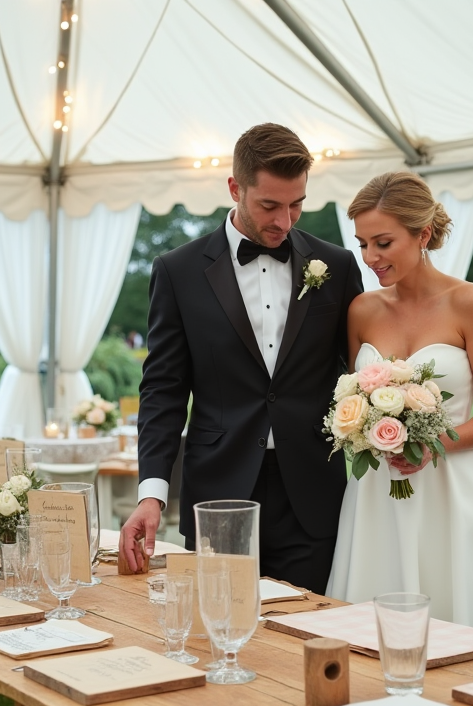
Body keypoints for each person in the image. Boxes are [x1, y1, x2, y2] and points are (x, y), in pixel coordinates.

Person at [120, 124, 364, 593]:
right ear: (235, 188)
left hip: (312, 495)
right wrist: (152, 493)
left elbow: (363, 367)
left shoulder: (336, 266)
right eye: (269, 205)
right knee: (219, 631)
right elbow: (163, 390)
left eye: (297, 204)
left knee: (308, 635)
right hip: (218, 495)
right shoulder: (177, 271)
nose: (285, 221)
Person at [326, 172, 473, 637]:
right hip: (376, 495)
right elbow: (351, 393)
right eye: (363, 243)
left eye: (383, 243)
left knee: (465, 621)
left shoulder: (471, 302)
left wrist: (435, 444)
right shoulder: (361, 310)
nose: (370, 258)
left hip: (454, 489)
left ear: (423, 234)